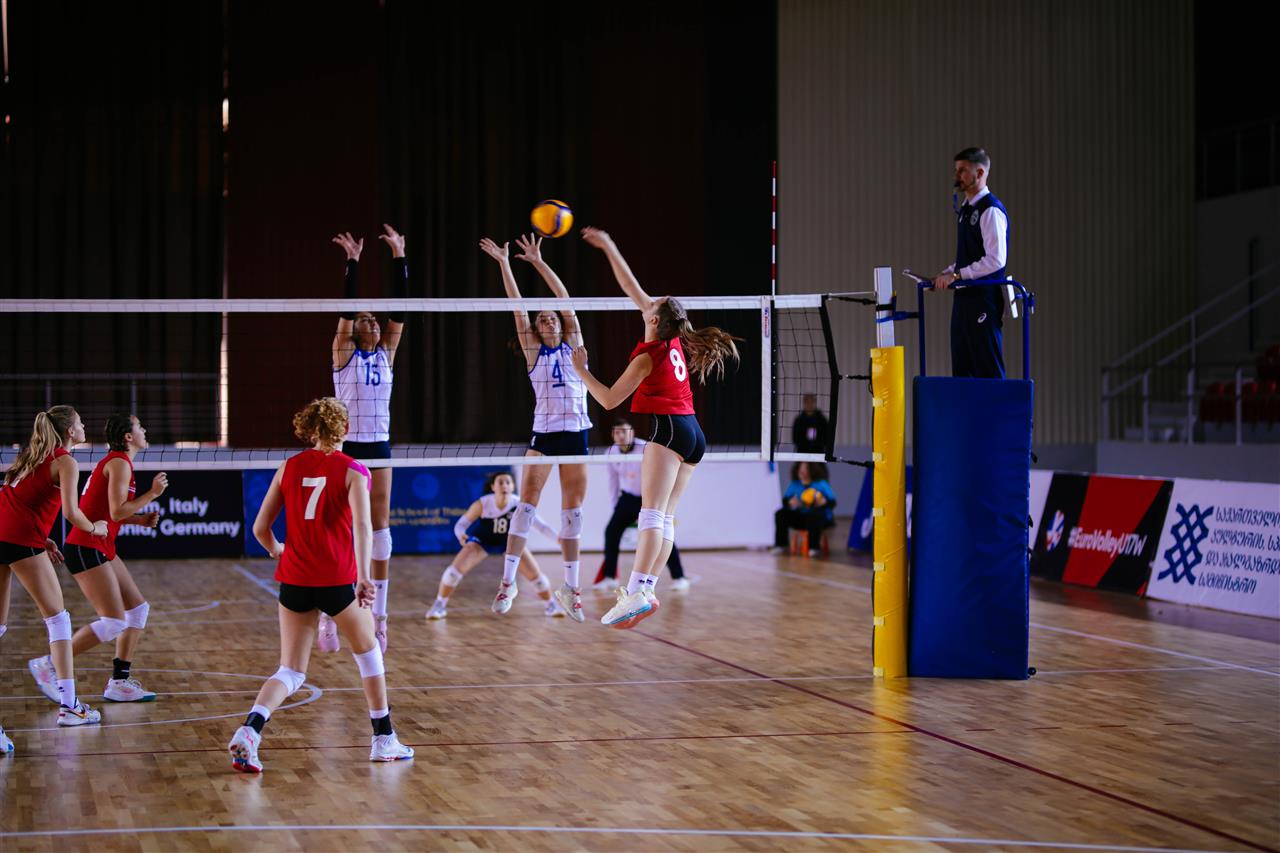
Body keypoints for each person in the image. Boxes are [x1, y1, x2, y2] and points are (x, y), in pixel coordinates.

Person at [228, 397, 413, 773]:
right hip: (336, 580)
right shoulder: (355, 470)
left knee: (291, 671)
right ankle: (383, 739)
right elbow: (363, 527)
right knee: (369, 653)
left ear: (310, 429)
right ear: (345, 429)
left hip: (294, 578)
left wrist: (277, 549)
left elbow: (260, 528)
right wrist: (365, 576)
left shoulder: (289, 466)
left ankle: (250, 730)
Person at [573, 227, 740, 628]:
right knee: (664, 518)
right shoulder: (673, 337)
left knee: (650, 514)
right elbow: (631, 285)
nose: (648, 299)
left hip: (668, 431)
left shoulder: (648, 356)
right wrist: (608, 245)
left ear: (653, 318)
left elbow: (608, 400)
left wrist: (582, 370)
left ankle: (635, 592)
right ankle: (646, 589)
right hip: (694, 434)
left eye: (653, 301)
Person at [479, 233, 590, 623]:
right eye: (541, 319)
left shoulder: (574, 344)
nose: (548, 319)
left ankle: (571, 590)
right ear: (537, 330)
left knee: (572, 513)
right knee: (526, 504)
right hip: (544, 434)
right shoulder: (534, 351)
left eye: (551, 317)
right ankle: (507, 582)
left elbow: (565, 299)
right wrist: (505, 263)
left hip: (576, 432)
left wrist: (539, 262)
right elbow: (517, 308)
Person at [28, 414, 168, 706]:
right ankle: (49, 663)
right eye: (139, 427)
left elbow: (108, 512)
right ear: (128, 437)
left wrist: (140, 520)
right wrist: (152, 494)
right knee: (115, 620)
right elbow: (116, 512)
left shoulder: (118, 462)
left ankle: (119, 682)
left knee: (137, 610)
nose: (144, 430)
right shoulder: (119, 463)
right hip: (86, 545)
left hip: (100, 544)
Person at [1, 406, 109, 729]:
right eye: (81, 422)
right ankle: (70, 707)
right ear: (70, 431)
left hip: (6, 532)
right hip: (18, 539)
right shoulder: (65, 461)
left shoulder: (32, 456)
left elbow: (20, 500)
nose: (85, 426)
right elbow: (72, 514)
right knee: (58, 620)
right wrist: (96, 528)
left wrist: (43, 538)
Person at [328, 224, 408, 654]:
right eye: (365, 319)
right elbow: (346, 311)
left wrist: (399, 256)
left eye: (374, 319)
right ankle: (329, 614)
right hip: (347, 447)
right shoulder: (343, 352)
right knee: (340, 530)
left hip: (379, 444)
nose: (373, 322)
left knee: (381, 531)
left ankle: (380, 617)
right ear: (354, 328)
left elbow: (401, 311)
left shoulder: (386, 353)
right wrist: (353, 262)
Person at [425, 471, 565, 619]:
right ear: (493, 487)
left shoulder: (520, 505)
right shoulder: (483, 503)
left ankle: (551, 605)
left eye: (508, 482)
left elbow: (542, 526)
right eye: (500, 482)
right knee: (452, 573)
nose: (504, 485)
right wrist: (461, 535)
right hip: (483, 541)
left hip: (510, 543)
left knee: (538, 578)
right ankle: (439, 605)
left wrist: (558, 539)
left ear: (513, 486)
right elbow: (460, 525)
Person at [931, 147, 1010, 379]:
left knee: (987, 369)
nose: (957, 175)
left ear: (980, 172)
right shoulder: (966, 209)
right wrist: (945, 274)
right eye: (956, 170)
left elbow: (995, 259)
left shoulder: (990, 209)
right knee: (961, 369)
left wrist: (957, 276)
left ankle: (996, 405)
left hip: (983, 299)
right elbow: (969, 257)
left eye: (963, 170)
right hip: (964, 300)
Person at [595, 419, 689, 592]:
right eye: (617, 432)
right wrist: (616, 506)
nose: (621, 435)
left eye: (624, 431)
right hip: (627, 499)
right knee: (611, 532)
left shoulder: (646, 448)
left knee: (661, 534)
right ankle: (610, 577)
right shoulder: (611, 452)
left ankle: (679, 577)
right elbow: (612, 481)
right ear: (613, 435)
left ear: (632, 432)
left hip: (649, 498)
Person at [772, 462, 837, 555]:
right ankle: (781, 545)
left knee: (815, 514)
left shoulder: (821, 483)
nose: (802, 471)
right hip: (802, 517)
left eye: (805, 468)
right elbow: (785, 501)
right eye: (800, 468)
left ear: (812, 470)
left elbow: (832, 502)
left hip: (820, 519)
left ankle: (814, 547)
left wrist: (823, 502)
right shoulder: (795, 484)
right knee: (780, 514)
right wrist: (791, 502)